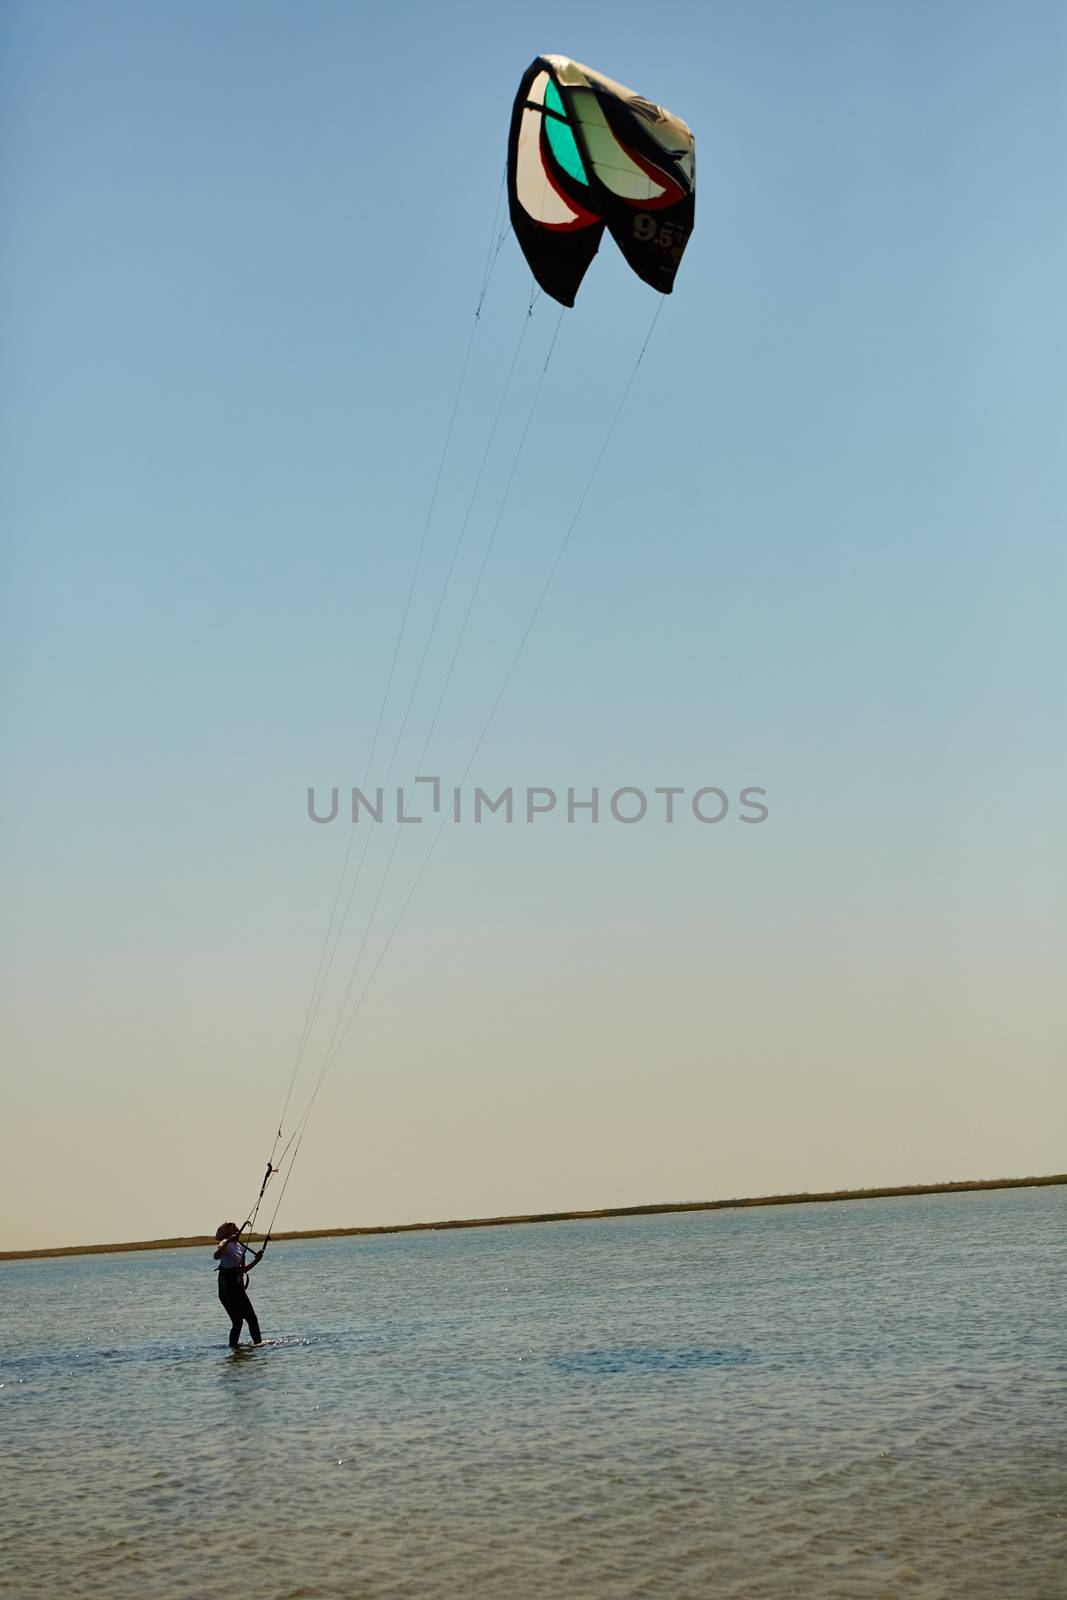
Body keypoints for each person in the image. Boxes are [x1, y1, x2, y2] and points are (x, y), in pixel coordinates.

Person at [213, 1221, 264, 1348]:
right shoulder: (224, 1243)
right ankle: (233, 1348)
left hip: (238, 1287)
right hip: (227, 1287)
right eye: (232, 1227)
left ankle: (258, 1345)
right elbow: (216, 1256)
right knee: (237, 1322)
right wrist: (229, 1240)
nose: (236, 1228)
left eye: (236, 1227)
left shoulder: (240, 1247)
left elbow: (243, 1269)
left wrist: (256, 1261)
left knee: (252, 1318)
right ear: (226, 1232)